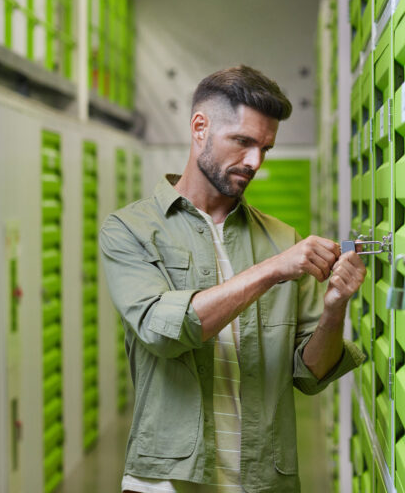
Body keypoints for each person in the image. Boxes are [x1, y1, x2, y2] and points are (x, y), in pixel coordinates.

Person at [99, 65, 366, 492]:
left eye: (265, 148)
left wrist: (335, 310)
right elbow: (161, 331)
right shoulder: (131, 230)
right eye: (243, 142)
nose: (255, 162)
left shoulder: (282, 238)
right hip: (168, 481)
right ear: (200, 128)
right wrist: (272, 269)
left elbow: (310, 375)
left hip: (262, 480)